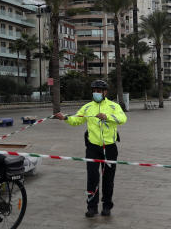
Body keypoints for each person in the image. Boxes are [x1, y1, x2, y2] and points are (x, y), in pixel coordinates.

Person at [54, 79, 126, 218]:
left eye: (99, 91)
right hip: (92, 147)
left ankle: (107, 206)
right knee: (92, 178)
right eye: (94, 91)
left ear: (105, 92)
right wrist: (65, 118)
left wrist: (107, 117)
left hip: (110, 148)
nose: (96, 93)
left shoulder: (113, 106)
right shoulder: (87, 107)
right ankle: (91, 207)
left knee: (108, 179)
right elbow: (77, 120)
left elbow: (122, 119)